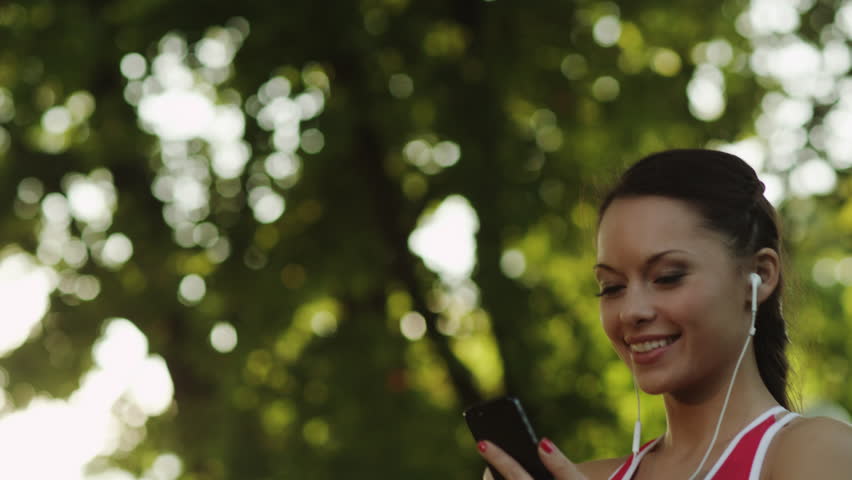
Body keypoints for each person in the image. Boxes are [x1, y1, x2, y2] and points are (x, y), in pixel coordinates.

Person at [475, 149, 852, 479]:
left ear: (761, 276)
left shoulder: (816, 452)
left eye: (668, 277)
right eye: (612, 287)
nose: (631, 311)